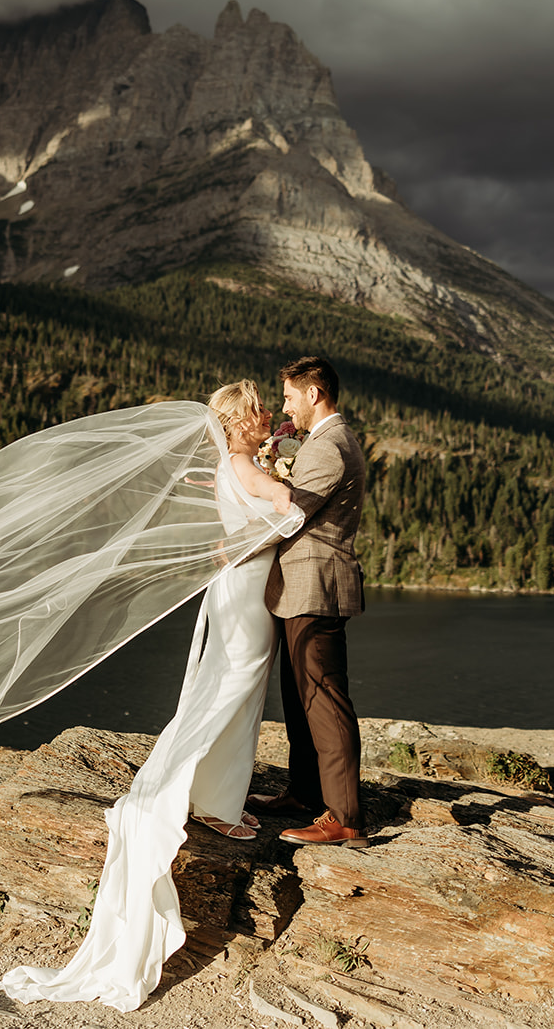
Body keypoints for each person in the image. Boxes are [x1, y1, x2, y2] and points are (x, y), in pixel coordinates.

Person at [0, 380, 297, 1012]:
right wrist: (274, 512)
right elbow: (289, 507)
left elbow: (240, 512)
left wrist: (242, 530)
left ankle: (215, 797)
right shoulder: (245, 463)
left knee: (231, 689)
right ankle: (212, 799)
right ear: (240, 421)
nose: (266, 418)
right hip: (247, 587)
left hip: (234, 583)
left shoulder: (226, 465)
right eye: (259, 412)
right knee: (237, 687)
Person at [247, 356, 369, 848]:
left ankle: (343, 817)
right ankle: (304, 792)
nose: (285, 406)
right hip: (299, 585)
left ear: (314, 394)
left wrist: (230, 544)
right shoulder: (321, 444)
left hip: (316, 585)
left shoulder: (329, 449)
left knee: (323, 698)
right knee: (299, 696)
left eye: (289, 396)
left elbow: (289, 516)